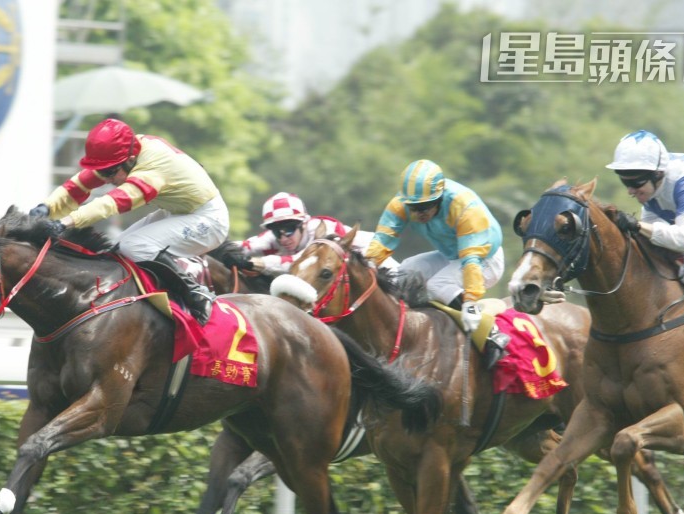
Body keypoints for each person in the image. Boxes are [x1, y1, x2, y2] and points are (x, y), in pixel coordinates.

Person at [29, 118, 228, 325]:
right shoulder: (123, 156)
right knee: (118, 249)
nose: (106, 179)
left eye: (109, 172)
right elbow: (77, 186)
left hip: (208, 220)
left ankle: (195, 294)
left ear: (131, 158)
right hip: (179, 212)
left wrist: (65, 223)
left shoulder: (153, 167)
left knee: (134, 246)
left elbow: (112, 203)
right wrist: (47, 207)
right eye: (103, 172)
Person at [363, 159, 508, 359]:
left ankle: (491, 335)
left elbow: (471, 260)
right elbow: (382, 241)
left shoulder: (464, 206)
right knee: (404, 272)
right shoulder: (400, 204)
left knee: (437, 284)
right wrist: (366, 269)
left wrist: (471, 302)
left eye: (426, 206)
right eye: (414, 207)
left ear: (439, 198)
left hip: (485, 259)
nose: (419, 213)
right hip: (452, 257)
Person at [606, 129, 684, 296]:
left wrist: (638, 225)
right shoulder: (652, 185)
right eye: (624, 181)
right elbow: (653, 234)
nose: (630, 191)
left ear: (658, 174)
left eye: (636, 183)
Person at [237, 192, 395, 276]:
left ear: (303, 224)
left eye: (289, 229)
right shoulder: (277, 237)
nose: (284, 237)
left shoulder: (324, 230)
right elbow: (244, 246)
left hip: (378, 260)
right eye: (277, 231)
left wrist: (255, 263)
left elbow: (298, 263)